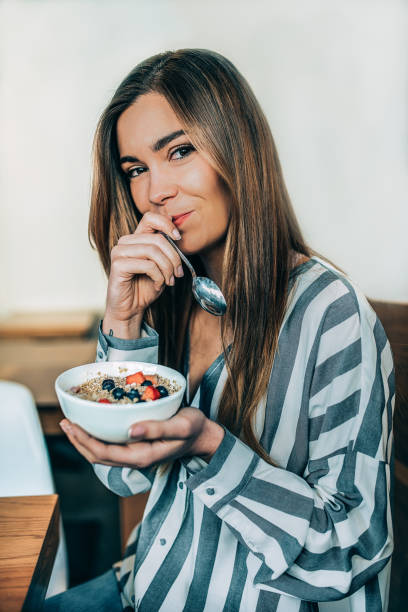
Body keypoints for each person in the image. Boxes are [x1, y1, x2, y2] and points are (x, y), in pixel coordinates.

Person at [45, 49, 394, 611]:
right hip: (150, 584)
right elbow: (125, 482)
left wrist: (209, 444)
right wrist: (124, 322)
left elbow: (350, 550)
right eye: (136, 169)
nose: (154, 191)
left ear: (238, 149)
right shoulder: (173, 298)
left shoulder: (332, 314)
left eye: (178, 151)